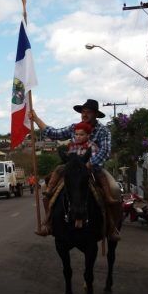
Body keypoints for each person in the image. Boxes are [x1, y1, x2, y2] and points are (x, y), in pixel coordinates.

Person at [31, 99, 121, 241]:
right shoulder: (75, 127)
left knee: (115, 188)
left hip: (94, 168)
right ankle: (48, 222)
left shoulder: (103, 131)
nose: (84, 115)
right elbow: (54, 133)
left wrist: (89, 164)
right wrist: (36, 119)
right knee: (45, 186)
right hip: (73, 169)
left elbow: (105, 151)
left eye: (88, 112)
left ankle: (111, 228)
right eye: (83, 112)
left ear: (95, 114)